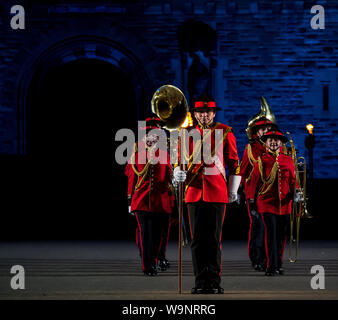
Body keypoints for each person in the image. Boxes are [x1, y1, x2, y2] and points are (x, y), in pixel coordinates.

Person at [173, 94, 241, 294]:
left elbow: (234, 163)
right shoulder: (185, 134)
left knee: (213, 239)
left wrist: (233, 190)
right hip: (193, 191)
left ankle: (214, 281)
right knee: (196, 241)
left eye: (207, 112)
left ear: (213, 113)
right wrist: (177, 170)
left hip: (217, 192)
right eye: (200, 112)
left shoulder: (225, 132)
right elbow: (179, 159)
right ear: (194, 114)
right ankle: (200, 280)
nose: (204, 116)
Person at [246, 130, 302, 276]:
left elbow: (292, 181)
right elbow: (254, 183)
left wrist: (296, 192)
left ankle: (278, 264)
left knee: (281, 236)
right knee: (271, 235)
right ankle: (271, 265)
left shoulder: (288, 160)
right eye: (271, 140)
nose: (274, 142)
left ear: (281, 143)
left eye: (277, 140)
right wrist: (251, 202)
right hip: (266, 203)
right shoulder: (261, 160)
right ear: (266, 142)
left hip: (284, 204)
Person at [125, 117, 175, 276]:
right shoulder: (137, 151)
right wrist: (129, 199)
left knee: (159, 235)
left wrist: (176, 180)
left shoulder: (164, 153)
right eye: (148, 135)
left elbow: (169, 176)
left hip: (161, 201)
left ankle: (157, 257)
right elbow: (132, 176)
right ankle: (148, 266)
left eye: (155, 135)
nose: (151, 138)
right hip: (141, 200)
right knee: (146, 234)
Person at [239, 117, 278, 271]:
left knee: (273, 228)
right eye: (263, 130)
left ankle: (271, 259)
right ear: (257, 132)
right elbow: (242, 171)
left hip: (273, 195)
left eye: (268, 129)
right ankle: (257, 258)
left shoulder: (277, 147)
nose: (266, 132)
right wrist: (241, 191)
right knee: (259, 227)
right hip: (254, 194)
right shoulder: (251, 149)